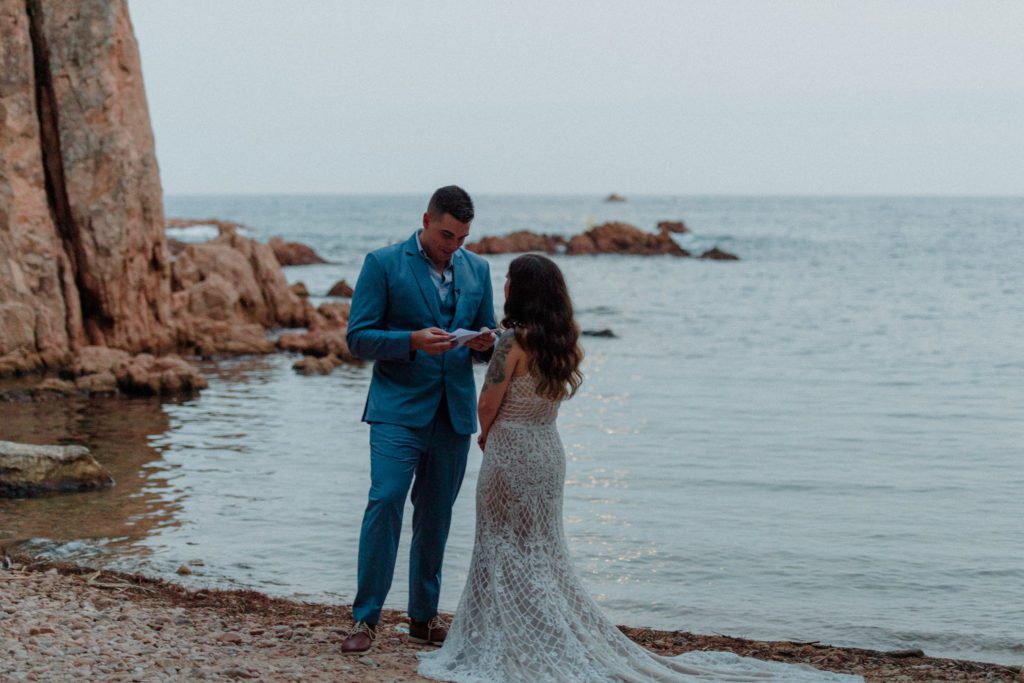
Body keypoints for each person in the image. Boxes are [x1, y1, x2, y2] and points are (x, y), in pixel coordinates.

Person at [418, 254, 862, 682]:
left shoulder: (513, 341)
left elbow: (488, 403)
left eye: (511, 280)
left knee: (499, 546)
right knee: (541, 550)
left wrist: (484, 435)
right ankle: (545, 632)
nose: (506, 286)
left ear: (522, 290)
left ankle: (505, 638)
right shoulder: (559, 340)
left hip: (511, 452)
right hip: (548, 451)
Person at [341, 185, 497, 654]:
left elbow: (487, 334)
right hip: (396, 410)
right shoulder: (383, 263)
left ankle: (423, 620)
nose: (454, 246)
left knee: (436, 518)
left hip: (452, 414)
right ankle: (365, 619)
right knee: (385, 502)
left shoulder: (479, 269)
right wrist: (410, 339)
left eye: (463, 238)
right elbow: (358, 338)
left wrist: (485, 344)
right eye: (447, 234)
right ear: (426, 219)